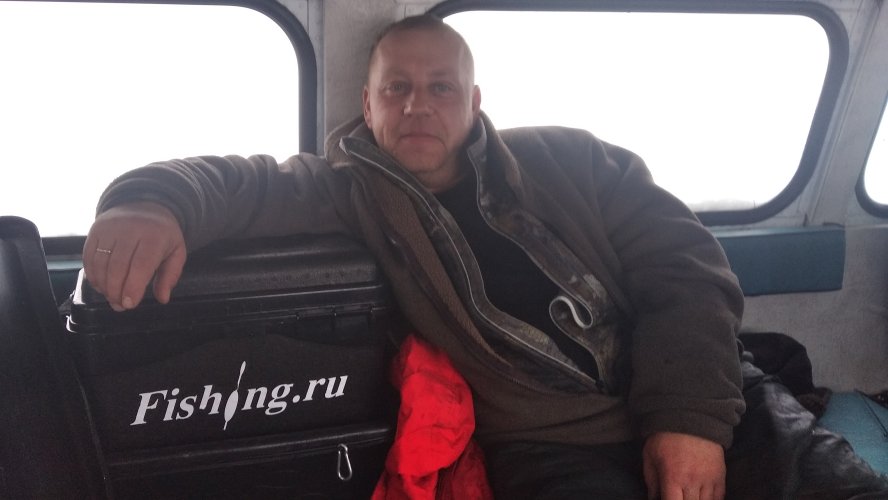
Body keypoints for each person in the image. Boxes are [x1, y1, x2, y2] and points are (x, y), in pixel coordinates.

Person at [83, 15, 746, 499]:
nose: (417, 105)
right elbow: (243, 183)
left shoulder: (578, 159)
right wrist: (149, 203)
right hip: (550, 445)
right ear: (368, 106)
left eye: (441, 88)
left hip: (698, 393)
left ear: (474, 102)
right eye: (396, 88)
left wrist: (689, 422)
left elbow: (687, 270)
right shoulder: (346, 193)